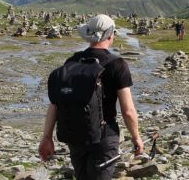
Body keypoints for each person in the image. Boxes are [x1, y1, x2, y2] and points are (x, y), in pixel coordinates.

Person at [38, 14, 144, 180]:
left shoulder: (72, 61)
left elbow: (55, 104)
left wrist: (46, 138)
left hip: (75, 136)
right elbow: (128, 111)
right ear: (110, 35)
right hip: (104, 137)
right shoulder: (117, 64)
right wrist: (136, 137)